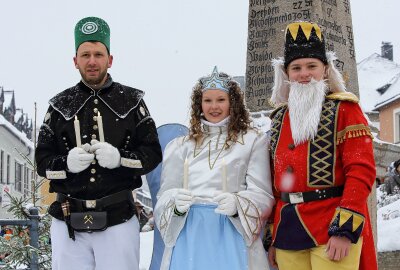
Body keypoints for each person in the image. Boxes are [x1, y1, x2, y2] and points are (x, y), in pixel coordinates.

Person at [35, 16, 162, 270]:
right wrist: (66, 163)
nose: (92, 61)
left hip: (118, 219)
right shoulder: (59, 106)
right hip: (68, 219)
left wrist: (120, 159)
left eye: (98, 54)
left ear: (110, 59)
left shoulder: (133, 102)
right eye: (85, 55)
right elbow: (42, 162)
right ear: (75, 61)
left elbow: (152, 154)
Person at [267, 21, 377, 270]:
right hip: (288, 230)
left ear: (325, 69)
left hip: (332, 227)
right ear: (286, 73)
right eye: (296, 68)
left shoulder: (346, 110)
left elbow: (361, 170)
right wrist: (273, 233)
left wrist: (344, 228)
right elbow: (274, 182)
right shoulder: (278, 120)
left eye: (311, 66)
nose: (304, 73)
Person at [154, 66, 275, 270]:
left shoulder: (252, 141)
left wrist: (239, 205)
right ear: (199, 104)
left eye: (221, 100)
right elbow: (164, 196)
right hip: (189, 234)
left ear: (232, 103)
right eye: (207, 100)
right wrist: (175, 206)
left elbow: (262, 193)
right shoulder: (180, 146)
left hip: (232, 231)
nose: (214, 107)